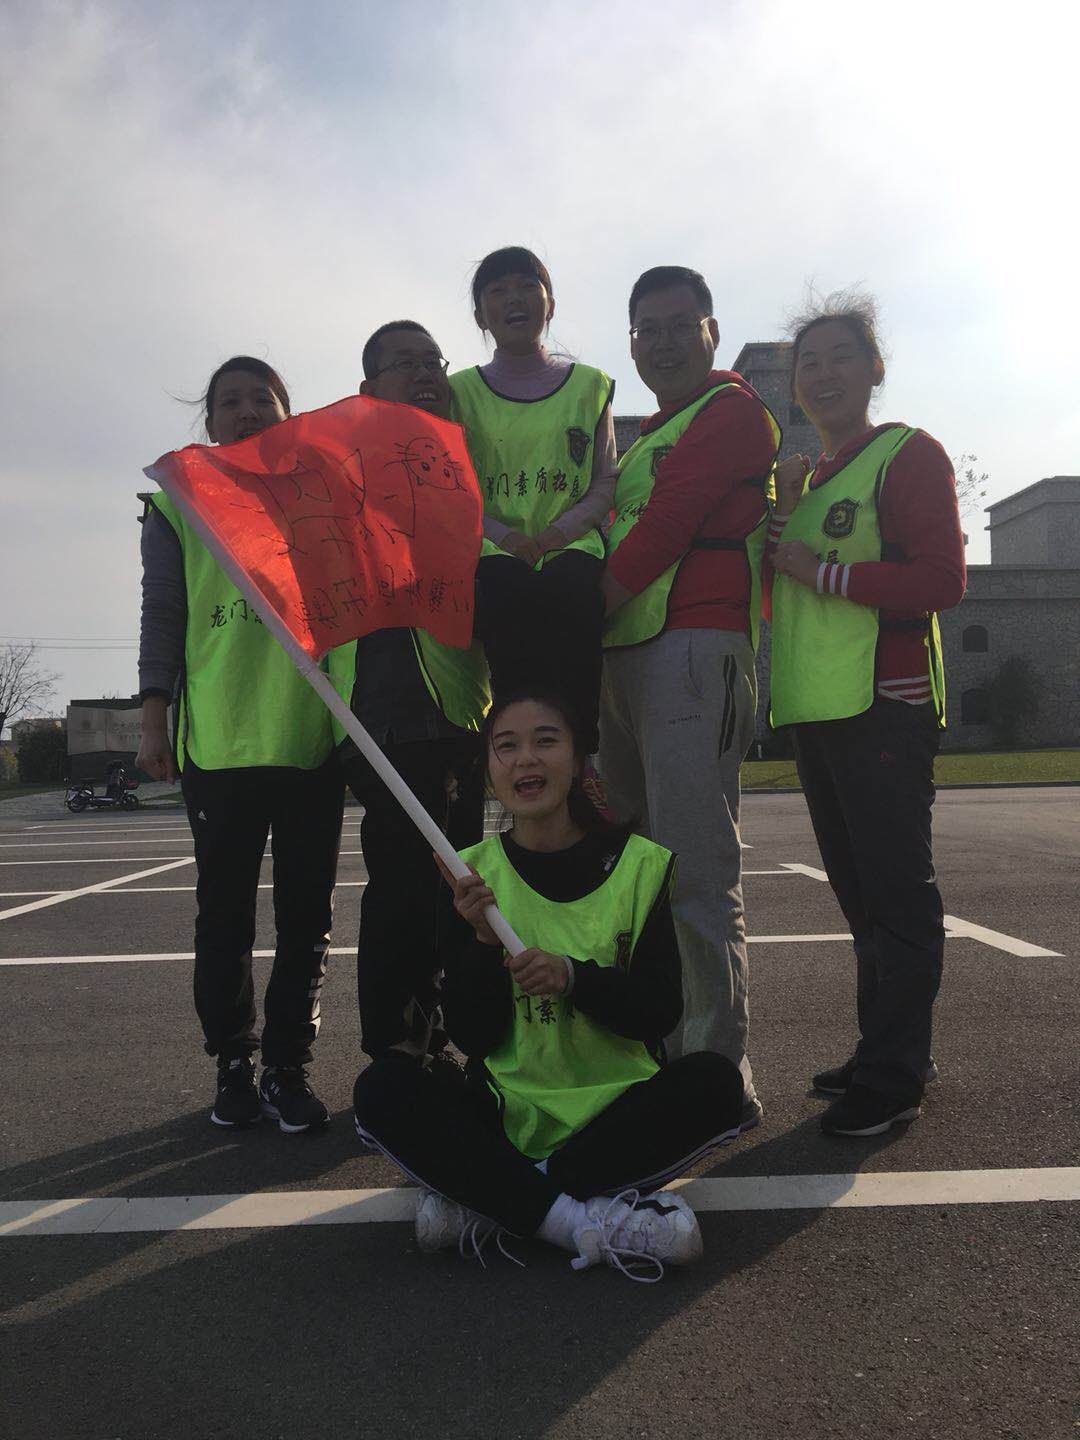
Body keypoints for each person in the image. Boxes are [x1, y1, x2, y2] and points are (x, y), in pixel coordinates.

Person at [353, 691, 745, 1279]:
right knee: (383, 1087)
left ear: (578, 758)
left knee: (716, 1082)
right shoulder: (469, 872)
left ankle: (500, 1202)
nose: (525, 759)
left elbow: (658, 1012)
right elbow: (475, 1037)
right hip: (507, 1112)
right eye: (506, 746)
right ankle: (578, 1219)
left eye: (545, 741)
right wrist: (481, 944)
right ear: (490, 769)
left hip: (616, 1113)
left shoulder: (639, 865)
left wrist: (574, 979)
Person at [766, 291, 965, 1137]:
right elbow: (783, 593)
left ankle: (894, 1078)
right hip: (820, 709)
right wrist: (784, 520)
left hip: (885, 704)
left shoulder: (906, 454)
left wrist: (825, 572)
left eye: (840, 355)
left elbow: (941, 580)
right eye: (807, 363)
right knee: (858, 897)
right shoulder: (808, 481)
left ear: (874, 368)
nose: (823, 374)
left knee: (895, 896)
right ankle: (883, 1046)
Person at [137, 356, 344, 1132]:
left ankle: (288, 1067)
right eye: (231, 401)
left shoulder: (319, 498)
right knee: (223, 917)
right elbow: (164, 615)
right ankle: (232, 1061)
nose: (248, 410)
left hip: (309, 735)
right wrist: (154, 718)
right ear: (211, 421)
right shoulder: (177, 506)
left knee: (306, 916)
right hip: (219, 743)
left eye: (264, 398)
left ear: (288, 415)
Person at [599, 265, 780, 1127]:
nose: (663, 342)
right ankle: (666, 1048)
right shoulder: (644, 438)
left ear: (712, 330)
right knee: (639, 872)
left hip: (693, 649)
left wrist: (573, 615)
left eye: (680, 325)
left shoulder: (731, 412)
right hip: (627, 658)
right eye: (647, 329)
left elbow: (669, 525)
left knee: (694, 870)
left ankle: (716, 1074)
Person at [327, 321, 489, 1063]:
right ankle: (395, 1047)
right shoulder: (343, 471)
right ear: (369, 388)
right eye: (405, 364)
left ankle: (449, 1035)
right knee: (400, 884)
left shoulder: (460, 463)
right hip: (386, 712)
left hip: (461, 706)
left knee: (463, 884)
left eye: (434, 362)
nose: (425, 375)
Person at [449, 246, 616, 750]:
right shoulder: (458, 392)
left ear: (550, 304)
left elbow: (604, 480)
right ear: (480, 315)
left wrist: (555, 535)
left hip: (572, 553)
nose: (514, 299)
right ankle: (518, 778)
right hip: (494, 557)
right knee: (514, 681)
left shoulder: (590, 386)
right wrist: (506, 538)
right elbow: (454, 490)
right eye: (498, 291)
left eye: (527, 286)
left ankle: (581, 772)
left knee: (577, 669)